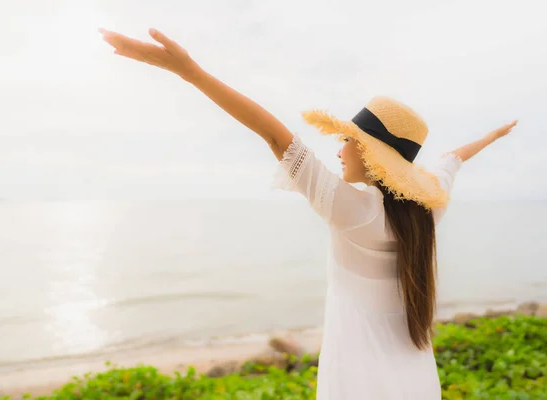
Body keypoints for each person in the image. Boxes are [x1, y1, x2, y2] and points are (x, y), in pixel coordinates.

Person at [99, 27, 518, 399]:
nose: (339, 149)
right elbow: (452, 159)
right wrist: (492, 135)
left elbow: (272, 134)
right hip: (415, 380)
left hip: (356, 380)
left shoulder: (352, 210)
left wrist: (190, 71)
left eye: (348, 141)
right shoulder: (428, 210)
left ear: (371, 155)